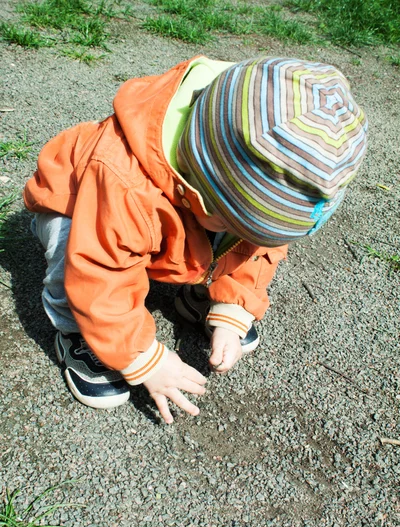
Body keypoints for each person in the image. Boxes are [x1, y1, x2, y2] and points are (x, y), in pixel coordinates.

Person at [24, 55, 368, 423]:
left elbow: (258, 247)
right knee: (71, 246)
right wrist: (143, 359)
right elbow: (99, 270)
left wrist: (233, 309)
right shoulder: (122, 178)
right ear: (195, 177)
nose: (244, 233)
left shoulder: (238, 170)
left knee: (236, 233)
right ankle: (77, 332)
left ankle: (203, 297)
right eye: (231, 218)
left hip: (167, 212)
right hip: (82, 210)